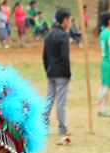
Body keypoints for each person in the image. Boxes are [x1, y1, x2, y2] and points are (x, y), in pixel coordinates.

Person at [43, 8, 72, 137]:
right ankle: (62, 128)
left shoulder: (49, 34)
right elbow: (65, 57)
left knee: (48, 99)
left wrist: (48, 70)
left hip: (51, 73)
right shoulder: (63, 35)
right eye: (70, 20)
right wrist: (68, 74)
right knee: (61, 102)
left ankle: (43, 126)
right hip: (61, 73)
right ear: (65, 20)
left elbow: (44, 55)